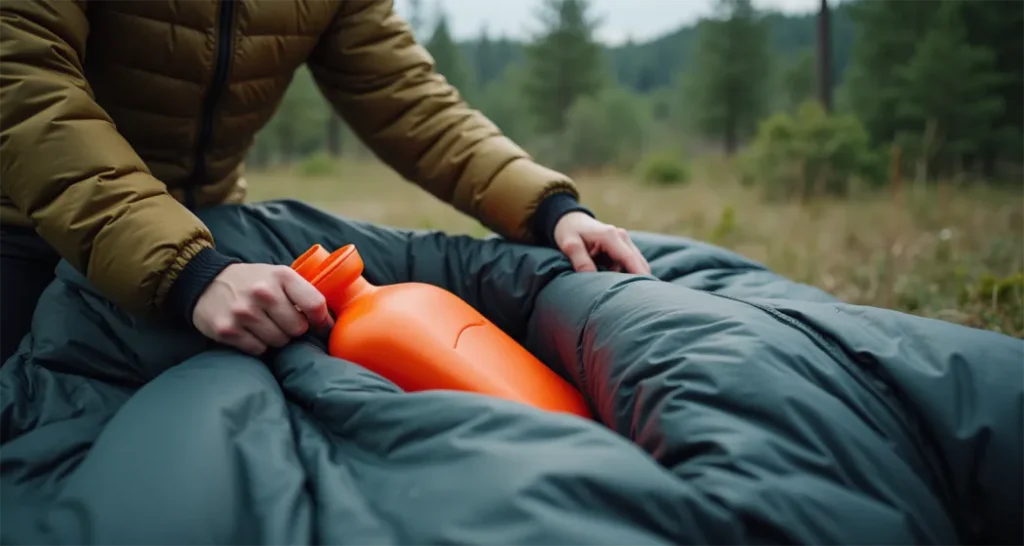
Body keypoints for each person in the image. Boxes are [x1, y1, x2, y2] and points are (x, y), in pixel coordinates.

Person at [0, 0, 651, 360]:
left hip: (215, 246)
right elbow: (26, 89)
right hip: (27, 235)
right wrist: (185, 270)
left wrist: (551, 209)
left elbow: (406, 98)